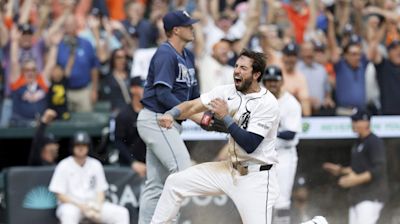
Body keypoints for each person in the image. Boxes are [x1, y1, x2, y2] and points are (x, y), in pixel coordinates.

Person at [153, 49, 280, 224]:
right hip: (229, 170)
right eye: (236, 66)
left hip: (256, 177)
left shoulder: (267, 103)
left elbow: (250, 144)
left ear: (256, 74)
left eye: (243, 68)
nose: (236, 71)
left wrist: (225, 117)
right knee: (175, 183)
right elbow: (193, 105)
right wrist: (172, 113)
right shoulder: (226, 91)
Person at [136, 10, 200, 224]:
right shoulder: (165, 53)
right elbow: (163, 94)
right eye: (188, 25)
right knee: (182, 171)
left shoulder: (188, 55)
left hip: (168, 122)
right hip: (156, 119)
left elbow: (195, 96)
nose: (193, 28)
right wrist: (195, 115)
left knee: (156, 184)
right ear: (176, 30)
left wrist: (206, 112)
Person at [49, 131, 129, 224]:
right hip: (71, 205)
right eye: (77, 145)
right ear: (72, 147)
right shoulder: (64, 165)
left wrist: (97, 207)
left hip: (92, 204)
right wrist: (80, 206)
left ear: (88, 147)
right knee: (69, 213)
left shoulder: (95, 164)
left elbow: (101, 191)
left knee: (122, 213)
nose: (81, 148)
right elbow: (59, 194)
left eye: (84, 145)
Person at [323, 109, 388, 224]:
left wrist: (355, 180)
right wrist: (340, 170)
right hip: (358, 198)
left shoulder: (374, 141)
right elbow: (358, 168)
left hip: (371, 197)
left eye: (356, 120)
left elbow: (379, 169)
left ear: (366, 122)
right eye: (353, 120)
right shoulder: (358, 142)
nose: (353, 123)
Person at [262, 65, 302, 224]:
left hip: (284, 155)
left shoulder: (291, 103)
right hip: (264, 154)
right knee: (262, 199)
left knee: (282, 200)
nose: (272, 84)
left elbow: (291, 133)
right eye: (269, 81)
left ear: (282, 81)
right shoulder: (260, 100)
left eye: (275, 81)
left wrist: (269, 132)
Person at [115, 77, 146, 177]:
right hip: (129, 166)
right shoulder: (124, 114)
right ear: (133, 89)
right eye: (142, 87)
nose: (145, 90)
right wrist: (133, 162)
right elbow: (118, 141)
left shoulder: (153, 113)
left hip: (150, 164)